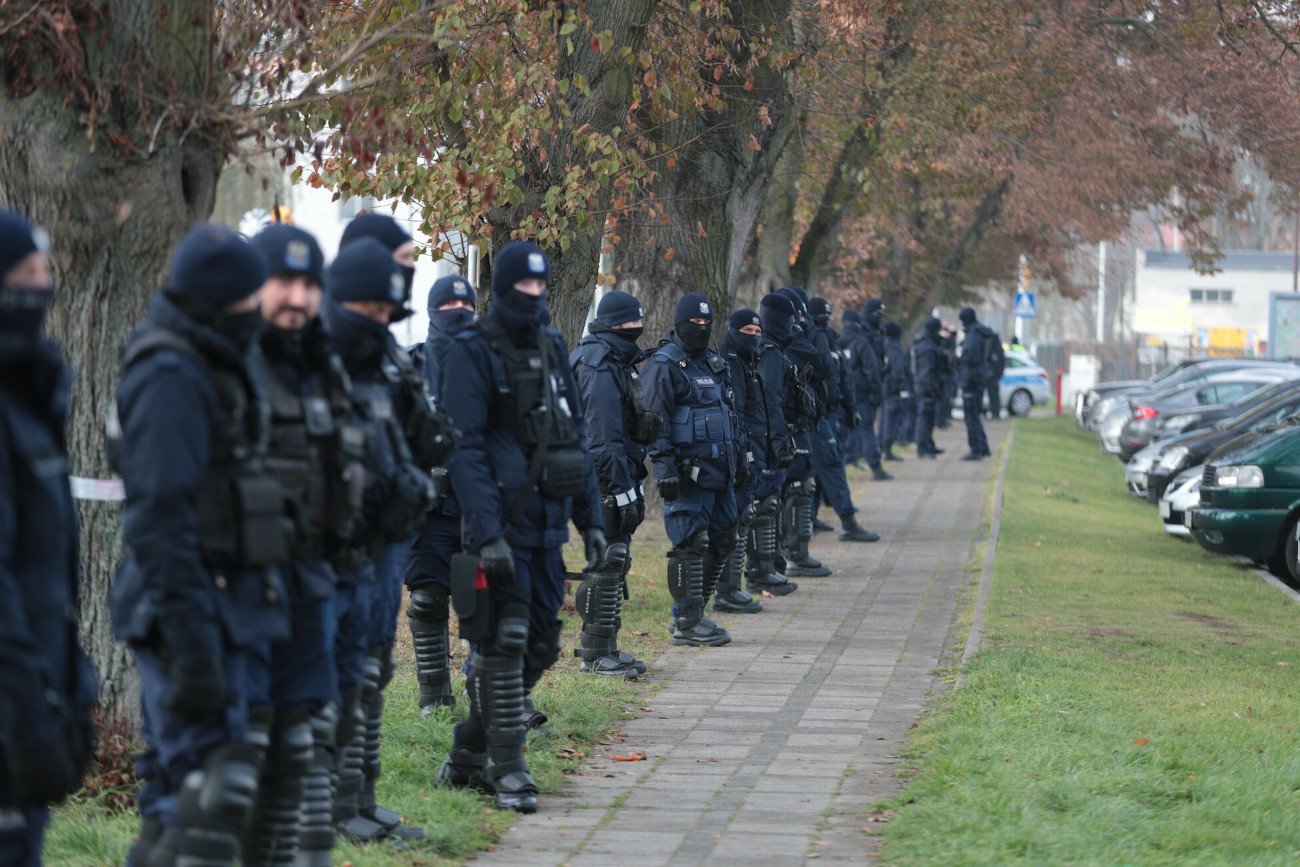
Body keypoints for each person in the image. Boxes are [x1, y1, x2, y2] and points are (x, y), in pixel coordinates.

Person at [109, 225, 292, 865]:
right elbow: (159, 521)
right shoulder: (171, 375)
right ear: (223, 301)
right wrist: (193, 648)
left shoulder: (211, 359)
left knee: (186, 802)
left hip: (222, 610)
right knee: (202, 803)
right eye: (251, 298)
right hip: (185, 617)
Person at [436, 241, 605, 813]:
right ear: (501, 289)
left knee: (543, 645)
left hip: (548, 527)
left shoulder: (555, 347)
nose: (532, 297)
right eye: (521, 289)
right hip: (498, 526)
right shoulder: (471, 351)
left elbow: (574, 440)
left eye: (540, 288)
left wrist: (594, 520)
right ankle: (509, 770)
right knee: (503, 640)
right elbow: (465, 448)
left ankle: (466, 751)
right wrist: (485, 532)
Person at [241, 224, 365, 864]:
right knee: (239, 774)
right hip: (239, 598)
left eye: (308, 285)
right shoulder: (227, 362)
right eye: (283, 282)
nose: (296, 298)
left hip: (313, 590)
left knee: (305, 749)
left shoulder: (322, 368)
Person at [321, 238, 436, 842]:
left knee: (373, 666)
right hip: (340, 541)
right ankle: (337, 809)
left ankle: (362, 797)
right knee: (344, 670)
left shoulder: (388, 351)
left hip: (388, 534)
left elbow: (407, 434)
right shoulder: (321, 348)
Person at [0, 210, 97, 867]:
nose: (40, 289)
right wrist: (26, 705)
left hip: (35, 683)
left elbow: (44, 569)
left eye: (44, 274)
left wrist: (72, 685)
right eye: (23, 276)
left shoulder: (32, 396)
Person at [642, 291, 741, 645]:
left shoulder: (714, 362)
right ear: (680, 324)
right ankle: (687, 620)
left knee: (725, 538)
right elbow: (655, 419)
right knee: (689, 544)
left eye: (706, 323)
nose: (701, 328)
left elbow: (730, 414)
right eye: (694, 323)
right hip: (687, 474)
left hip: (721, 471)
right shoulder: (665, 364)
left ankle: (697, 609)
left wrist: (741, 458)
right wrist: (663, 465)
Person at [570, 290, 658, 676]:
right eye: (628, 324)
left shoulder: (617, 360)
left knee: (615, 559)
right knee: (607, 562)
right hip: (598, 476)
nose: (634, 330)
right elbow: (601, 439)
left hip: (613, 472)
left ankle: (607, 646)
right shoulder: (598, 364)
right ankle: (593, 654)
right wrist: (621, 489)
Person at [405, 274, 478, 714]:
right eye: (449, 309)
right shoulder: (410, 367)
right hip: (429, 513)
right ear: (433, 313)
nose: (458, 316)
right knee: (428, 598)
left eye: (465, 309)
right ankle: (434, 696)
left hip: (480, 509)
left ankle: (486, 693)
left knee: (483, 601)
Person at [719, 308, 791, 613]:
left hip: (758, 449)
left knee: (751, 513)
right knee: (737, 519)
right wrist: (744, 452)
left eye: (758, 331)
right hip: (740, 451)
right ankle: (728, 589)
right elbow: (737, 413)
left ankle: (740, 582)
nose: (754, 336)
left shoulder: (750, 362)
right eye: (747, 331)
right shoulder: (730, 363)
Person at [806, 296, 882, 541]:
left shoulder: (833, 339)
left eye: (828, 315)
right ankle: (848, 522)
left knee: (820, 469)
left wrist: (849, 409)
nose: (825, 320)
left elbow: (843, 377)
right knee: (830, 466)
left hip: (832, 412)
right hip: (818, 416)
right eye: (821, 315)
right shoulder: (812, 340)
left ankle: (811, 518)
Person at [764, 290, 828, 579]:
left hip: (797, 425)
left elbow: (822, 368)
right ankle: (781, 559)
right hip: (781, 430)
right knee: (779, 495)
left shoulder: (790, 342)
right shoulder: (769, 348)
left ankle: (792, 556)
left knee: (800, 488)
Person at [957, 307, 992, 460]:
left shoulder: (973, 336)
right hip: (978, 379)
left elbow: (969, 358)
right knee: (975, 415)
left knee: (971, 416)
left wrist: (959, 357)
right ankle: (983, 447)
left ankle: (976, 449)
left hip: (971, 380)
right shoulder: (981, 333)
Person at [911, 316, 946, 459]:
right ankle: (923, 448)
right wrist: (933, 389)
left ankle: (928, 445)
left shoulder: (927, 343)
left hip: (925, 386)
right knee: (925, 419)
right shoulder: (928, 347)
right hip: (926, 388)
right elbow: (927, 372)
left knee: (929, 419)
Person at [879, 321, 911, 462]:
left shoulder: (883, 345)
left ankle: (884, 448)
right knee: (892, 419)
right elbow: (898, 369)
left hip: (886, 387)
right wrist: (903, 388)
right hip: (894, 389)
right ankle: (887, 449)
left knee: (885, 418)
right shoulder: (894, 348)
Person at [985, 327, 1006, 420]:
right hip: (994, 376)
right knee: (994, 396)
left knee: (993, 396)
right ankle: (994, 412)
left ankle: (995, 413)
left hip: (993, 376)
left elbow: (997, 363)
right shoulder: (998, 348)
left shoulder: (995, 349)